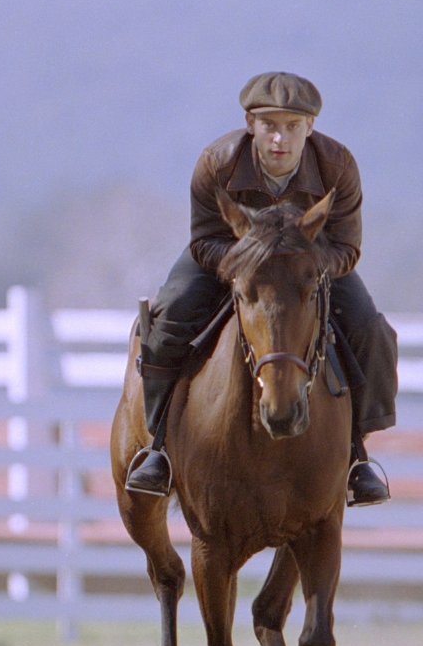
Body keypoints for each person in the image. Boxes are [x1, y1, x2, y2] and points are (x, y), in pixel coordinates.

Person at [125, 71, 397, 506]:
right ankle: (156, 449)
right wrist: (246, 265)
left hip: (309, 266)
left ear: (310, 128)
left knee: (369, 328)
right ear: (250, 124)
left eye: (292, 127)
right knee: (168, 316)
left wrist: (303, 268)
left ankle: (357, 456)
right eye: (270, 125)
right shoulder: (217, 162)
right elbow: (202, 241)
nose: (280, 140)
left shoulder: (339, 166)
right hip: (229, 260)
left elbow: (347, 247)